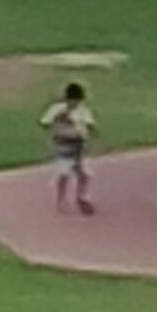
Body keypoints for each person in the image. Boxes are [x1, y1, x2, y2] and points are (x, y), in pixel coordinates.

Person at [43, 80, 98, 216]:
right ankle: (61, 199)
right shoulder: (57, 109)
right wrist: (59, 118)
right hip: (63, 143)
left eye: (78, 101)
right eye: (73, 100)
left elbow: (90, 126)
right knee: (64, 172)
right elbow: (45, 122)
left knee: (84, 173)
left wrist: (93, 137)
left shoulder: (83, 110)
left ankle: (82, 197)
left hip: (78, 144)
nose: (75, 103)